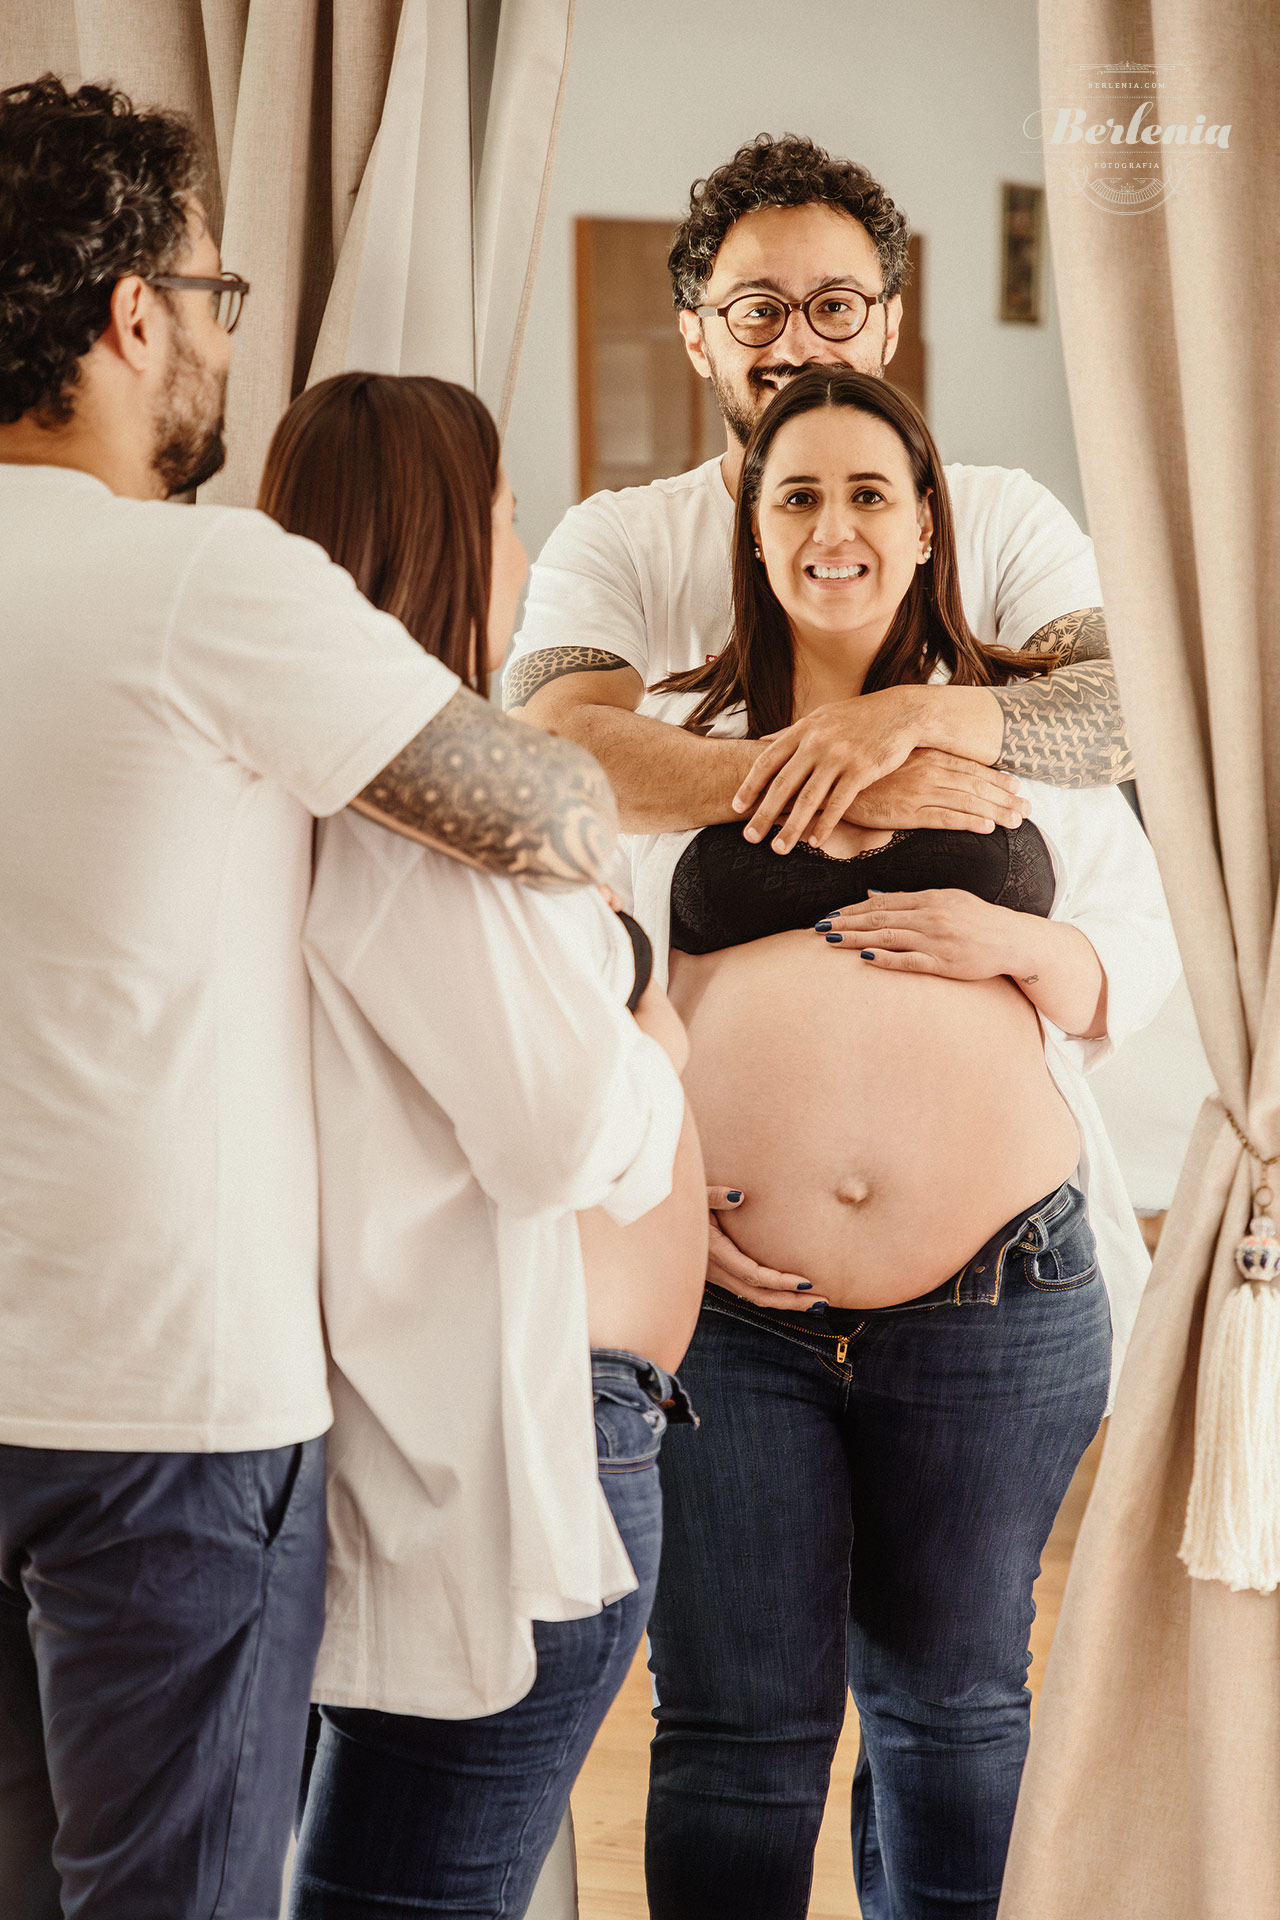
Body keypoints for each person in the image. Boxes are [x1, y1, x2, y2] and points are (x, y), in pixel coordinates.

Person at [0, 77, 615, 1919]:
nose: (215, 340)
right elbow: (549, 808)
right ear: (130, 314)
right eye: (213, 297)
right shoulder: (202, 586)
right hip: (160, 1405)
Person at [625, 367, 1181, 1920]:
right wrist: (668, 1184)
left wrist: (1010, 941)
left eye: (871, 493)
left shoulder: (1032, 737)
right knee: (737, 1730)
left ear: (927, 528)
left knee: (956, 1714)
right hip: (732, 1316)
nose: (835, 527)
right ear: (753, 529)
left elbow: (1126, 961)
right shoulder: (680, 744)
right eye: (796, 495)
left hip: (996, 1298)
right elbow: (603, 991)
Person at [249, 371, 707, 1919]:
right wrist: (658, 1037)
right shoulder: (428, 821)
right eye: (510, 510)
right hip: (509, 1449)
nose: (523, 542)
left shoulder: (288, 790)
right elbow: (568, 1134)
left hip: (478, 1423)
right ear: (457, 534)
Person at [505, 131, 1130, 872]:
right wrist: (844, 781)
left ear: (889, 323)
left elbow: (1131, 711)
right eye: (756, 309)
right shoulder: (618, 539)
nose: (798, 344)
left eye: (835, 305)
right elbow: (546, 757)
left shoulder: (1006, 516)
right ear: (697, 338)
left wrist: (900, 720)